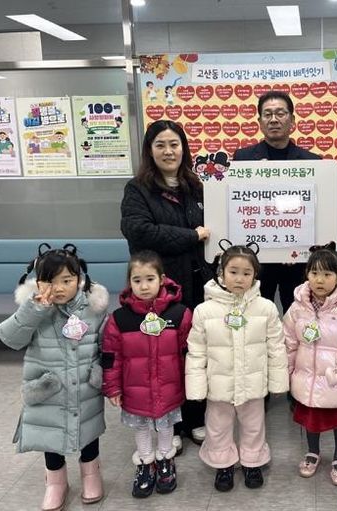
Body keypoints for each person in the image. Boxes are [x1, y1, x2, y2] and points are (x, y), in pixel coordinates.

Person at [121, 119, 213, 450]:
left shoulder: (197, 186)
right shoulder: (138, 189)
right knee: (165, 356)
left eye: (174, 144)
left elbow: (216, 228)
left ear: (184, 149)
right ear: (150, 150)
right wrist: (191, 236)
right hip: (162, 290)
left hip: (199, 284)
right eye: (160, 145)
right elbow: (139, 231)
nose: (168, 151)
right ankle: (169, 424)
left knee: (197, 351)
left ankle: (196, 417)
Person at [0, 243, 108, 511]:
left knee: (88, 431)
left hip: (84, 386)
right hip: (48, 388)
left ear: (79, 279)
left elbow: (106, 345)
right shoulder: (34, 308)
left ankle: (91, 474)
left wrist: (103, 374)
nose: (58, 288)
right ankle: (56, 482)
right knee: (50, 435)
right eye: (50, 281)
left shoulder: (93, 308)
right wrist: (33, 309)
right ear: (38, 282)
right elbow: (10, 338)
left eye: (66, 280)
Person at [185, 244, 288, 492]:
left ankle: (252, 462)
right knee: (218, 426)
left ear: (255, 275)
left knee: (254, 425)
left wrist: (278, 382)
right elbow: (196, 352)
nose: (240, 278)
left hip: (253, 383)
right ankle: (224, 464)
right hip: (218, 384)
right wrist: (196, 388)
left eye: (246, 273)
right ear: (221, 273)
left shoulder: (266, 308)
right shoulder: (204, 311)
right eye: (233, 272)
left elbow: (276, 347)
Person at [102, 251, 192, 499]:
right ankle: (145, 463)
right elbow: (111, 356)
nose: (143, 286)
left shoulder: (179, 314)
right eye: (137, 280)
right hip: (135, 388)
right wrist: (112, 387)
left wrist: (191, 382)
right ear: (129, 282)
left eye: (150, 279)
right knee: (140, 426)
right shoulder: (119, 319)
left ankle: (165, 461)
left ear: (162, 279)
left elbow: (189, 352)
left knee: (166, 425)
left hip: (169, 385)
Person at [283, 244, 337, 487]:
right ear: (307, 274)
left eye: (327, 274)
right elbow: (289, 342)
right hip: (307, 378)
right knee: (312, 419)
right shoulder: (298, 308)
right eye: (314, 273)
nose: (320, 280)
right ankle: (313, 452)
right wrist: (287, 372)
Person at [233, 91, 320, 313]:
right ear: (260, 121)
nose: (274, 119)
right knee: (256, 317)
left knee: (299, 316)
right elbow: (241, 208)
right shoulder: (243, 159)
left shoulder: (312, 161)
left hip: (297, 259)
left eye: (280, 113)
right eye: (268, 114)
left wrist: (297, 245)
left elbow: (313, 211)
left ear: (292, 119)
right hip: (256, 258)